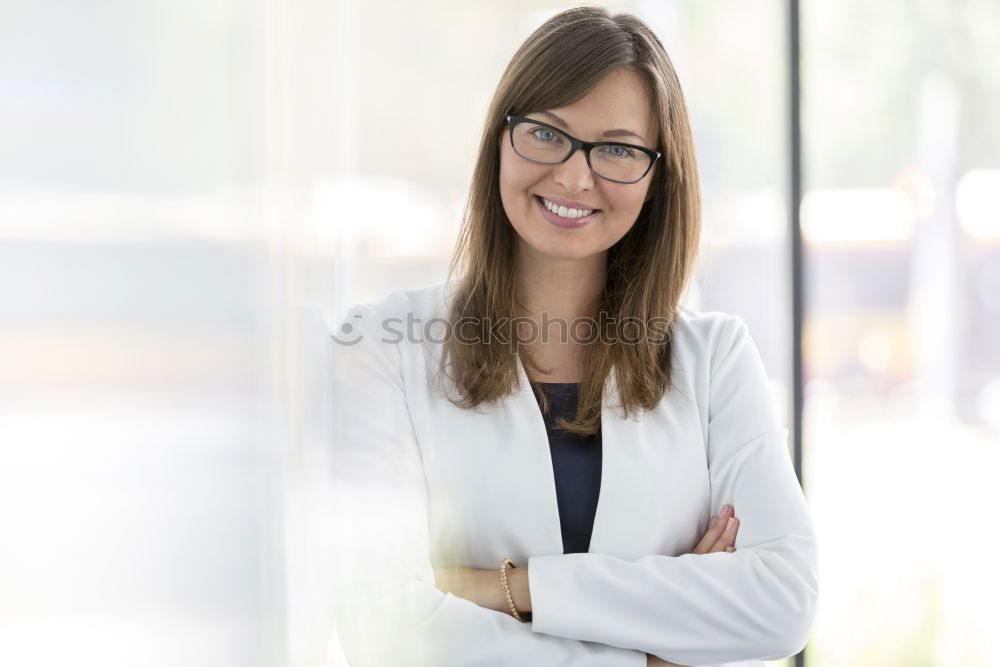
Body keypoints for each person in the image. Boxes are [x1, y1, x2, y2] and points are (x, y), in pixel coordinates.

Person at [328, 6, 818, 666]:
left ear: (657, 175)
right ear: (500, 139)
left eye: (616, 148)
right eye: (546, 133)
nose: (573, 176)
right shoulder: (381, 347)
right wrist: (651, 653)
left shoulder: (715, 359)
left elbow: (782, 601)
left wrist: (510, 587)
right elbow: (383, 623)